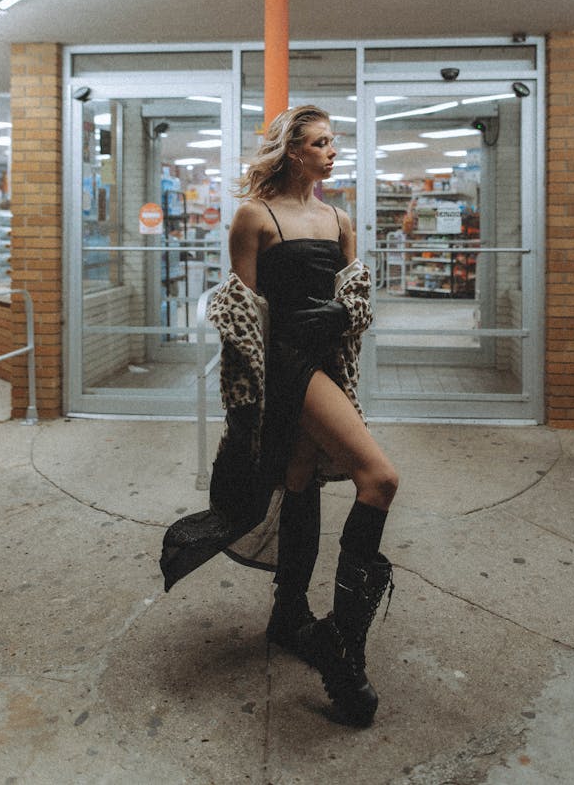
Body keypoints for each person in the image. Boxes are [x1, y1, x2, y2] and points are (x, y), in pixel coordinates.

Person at [160, 105, 399, 727]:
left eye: (333, 143)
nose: (332, 152)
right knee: (380, 479)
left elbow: (356, 300)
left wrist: (345, 316)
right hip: (287, 365)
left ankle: (289, 613)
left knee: (299, 478)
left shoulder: (338, 218)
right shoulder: (254, 217)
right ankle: (342, 647)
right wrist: (248, 405)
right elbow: (240, 315)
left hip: (328, 362)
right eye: (321, 143)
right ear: (293, 151)